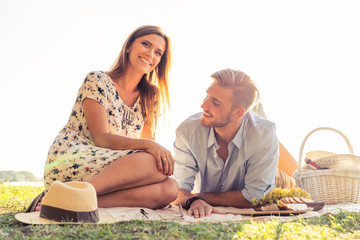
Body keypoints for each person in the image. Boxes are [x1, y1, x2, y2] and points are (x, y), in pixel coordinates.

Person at [28, 25, 179, 212]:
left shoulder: (151, 96)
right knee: (152, 163)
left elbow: (145, 145)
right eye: (146, 44)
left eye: (158, 52)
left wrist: (150, 148)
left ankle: (66, 200)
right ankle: (73, 192)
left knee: (170, 188)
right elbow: (101, 138)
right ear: (129, 46)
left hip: (114, 166)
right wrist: (150, 146)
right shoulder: (97, 80)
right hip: (75, 155)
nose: (151, 54)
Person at [172, 68, 293, 218]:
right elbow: (177, 189)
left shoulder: (264, 134)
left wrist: (199, 197)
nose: (204, 105)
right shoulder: (187, 131)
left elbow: (254, 196)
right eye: (207, 96)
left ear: (238, 113)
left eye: (215, 102)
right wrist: (193, 201)